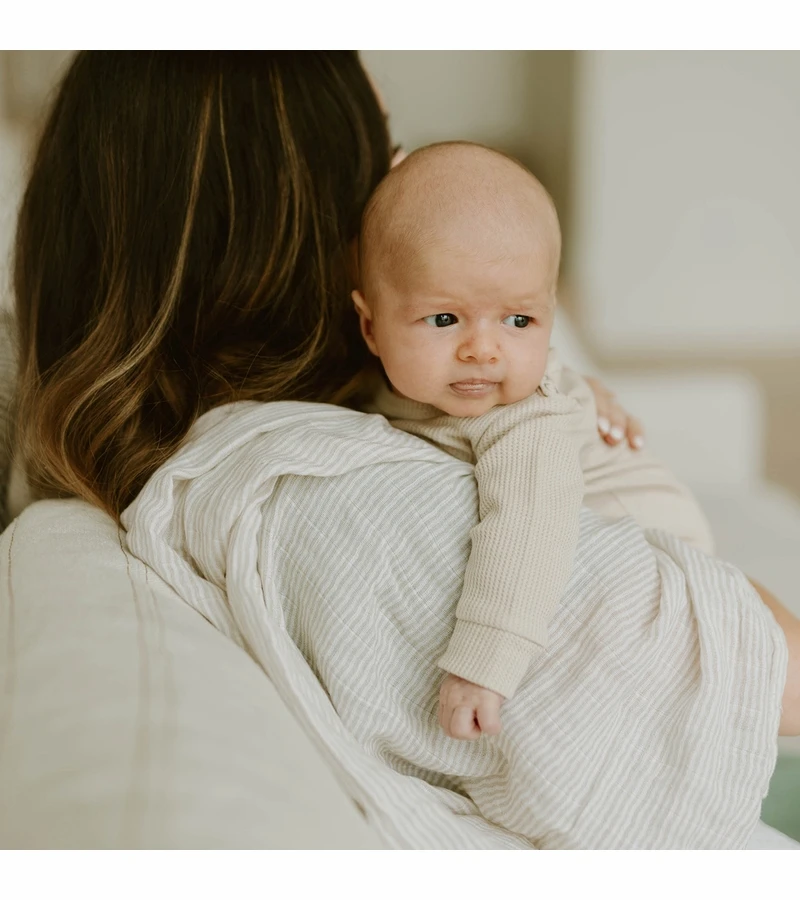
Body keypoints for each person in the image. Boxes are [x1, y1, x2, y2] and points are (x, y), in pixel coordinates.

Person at [7, 51, 800, 847]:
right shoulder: (326, 487)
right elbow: (758, 665)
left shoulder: (353, 413)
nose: (395, 178)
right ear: (305, 230)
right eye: (376, 162)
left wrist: (563, 386)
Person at [352, 139, 715, 740]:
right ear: (370, 325)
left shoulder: (524, 418)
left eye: (519, 321)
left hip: (651, 539)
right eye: (445, 319)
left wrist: (482, 665)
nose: (484, 349)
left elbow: (529, 528)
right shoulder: (391, 385)